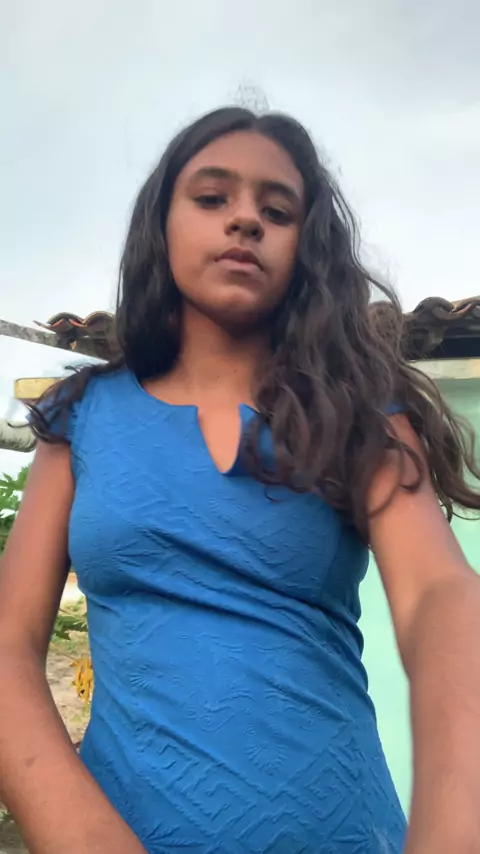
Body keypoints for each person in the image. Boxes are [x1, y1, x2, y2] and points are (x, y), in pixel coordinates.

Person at [0, 107, 479, 854]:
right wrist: (78, 834)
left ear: (306, 246)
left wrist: (456, 826)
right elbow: (7, 644)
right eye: (212, 197)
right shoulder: (80, 419)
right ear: (160, 227)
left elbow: (438, 595)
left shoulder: (359, 412)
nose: (246, 219)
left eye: (278, 210)